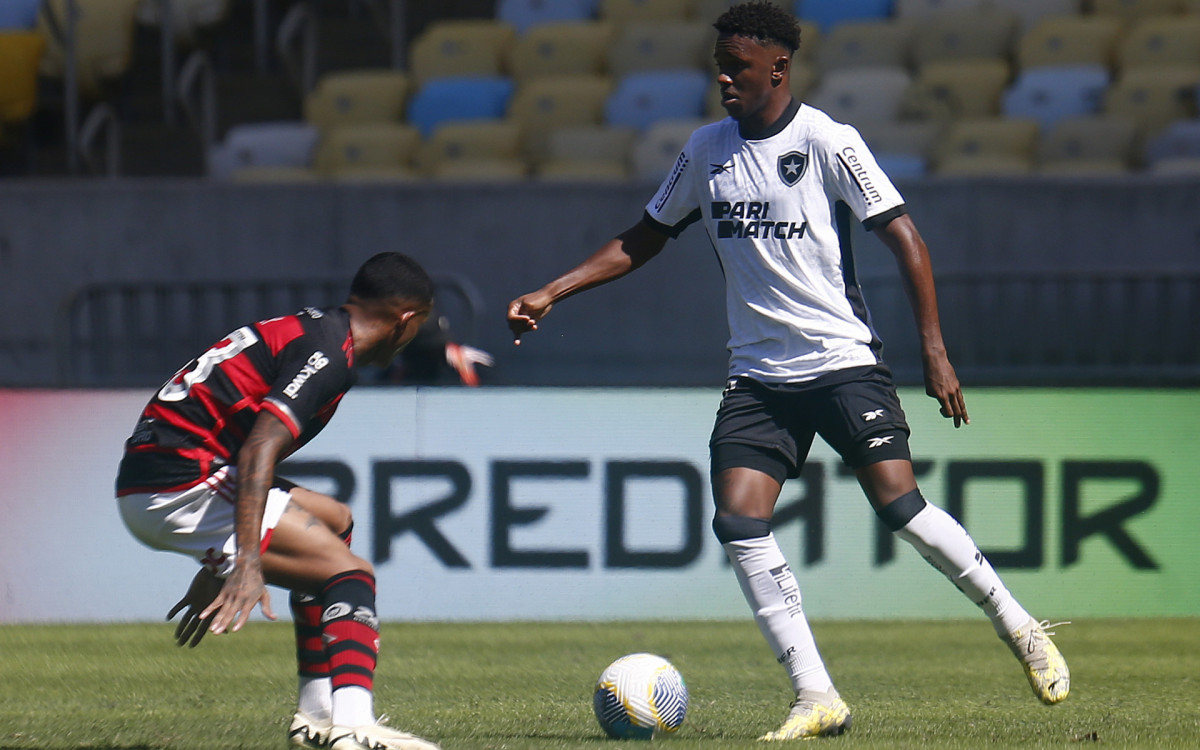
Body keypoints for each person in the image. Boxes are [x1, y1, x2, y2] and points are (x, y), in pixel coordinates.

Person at [507, 1, 1069, 741]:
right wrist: (553, 291)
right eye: (720, 65)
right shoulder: (706, 150)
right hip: (758, 376)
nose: (723, 78)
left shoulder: (828, 141)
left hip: (842, 360)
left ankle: (1019, 625)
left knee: (900, 506)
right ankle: (815, 695)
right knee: (739, 520)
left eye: (737, 66)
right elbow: (645, 237)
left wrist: (934, 349)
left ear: (779, 67)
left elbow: (905, 236)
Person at [116, 252, 441, 750]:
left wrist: (220, 563)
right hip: (177, 483)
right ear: (405, 320)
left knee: (335, 522)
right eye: (419, 325)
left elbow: (245, 447)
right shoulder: (329, 353)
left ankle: (315, 715)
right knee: (351, 575)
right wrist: (244, 563)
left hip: (166, 474)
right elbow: (259, 449)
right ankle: (354, 728)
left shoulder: (319, 332)